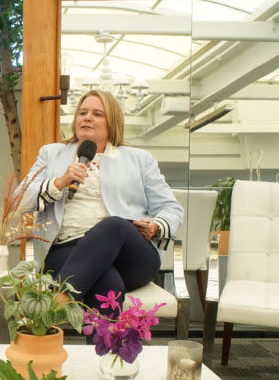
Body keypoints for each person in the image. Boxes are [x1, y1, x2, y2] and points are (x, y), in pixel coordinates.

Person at [19, 89, 184, 312]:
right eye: (83, 112)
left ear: (112, 123)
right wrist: (59, 182)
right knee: (108, 284)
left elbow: (171, 208)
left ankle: (55, 305)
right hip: (67, 249)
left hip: (130, 254)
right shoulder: (52, 154)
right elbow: (19, 200)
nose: (87, 117)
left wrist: (156, 226)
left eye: (97, 114)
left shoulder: (139, 159)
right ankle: (110, 346)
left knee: (114, 224)